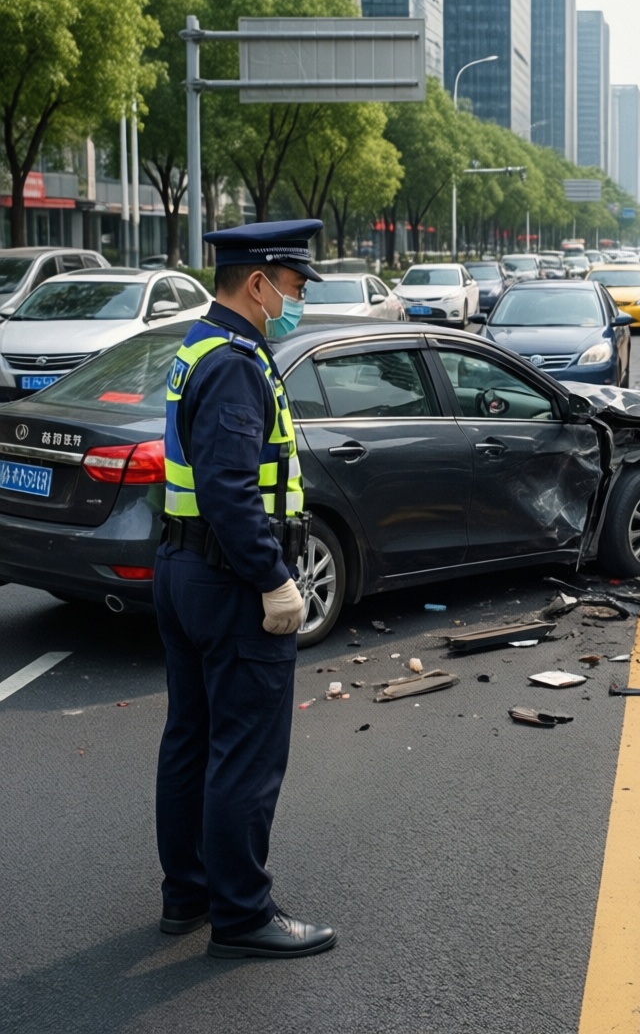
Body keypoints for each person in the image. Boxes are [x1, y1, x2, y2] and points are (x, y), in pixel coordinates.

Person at [154, 219, 336, 960]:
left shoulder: (200, 347)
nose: (297, 302)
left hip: (185, 568)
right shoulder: (233, 365)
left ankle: (188, 894)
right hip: (231, 581)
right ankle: (241, 915)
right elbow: (229, 490)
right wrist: (273, 579)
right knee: (245, 753)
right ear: (258, 284)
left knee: (192, 740)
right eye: (292, 287)